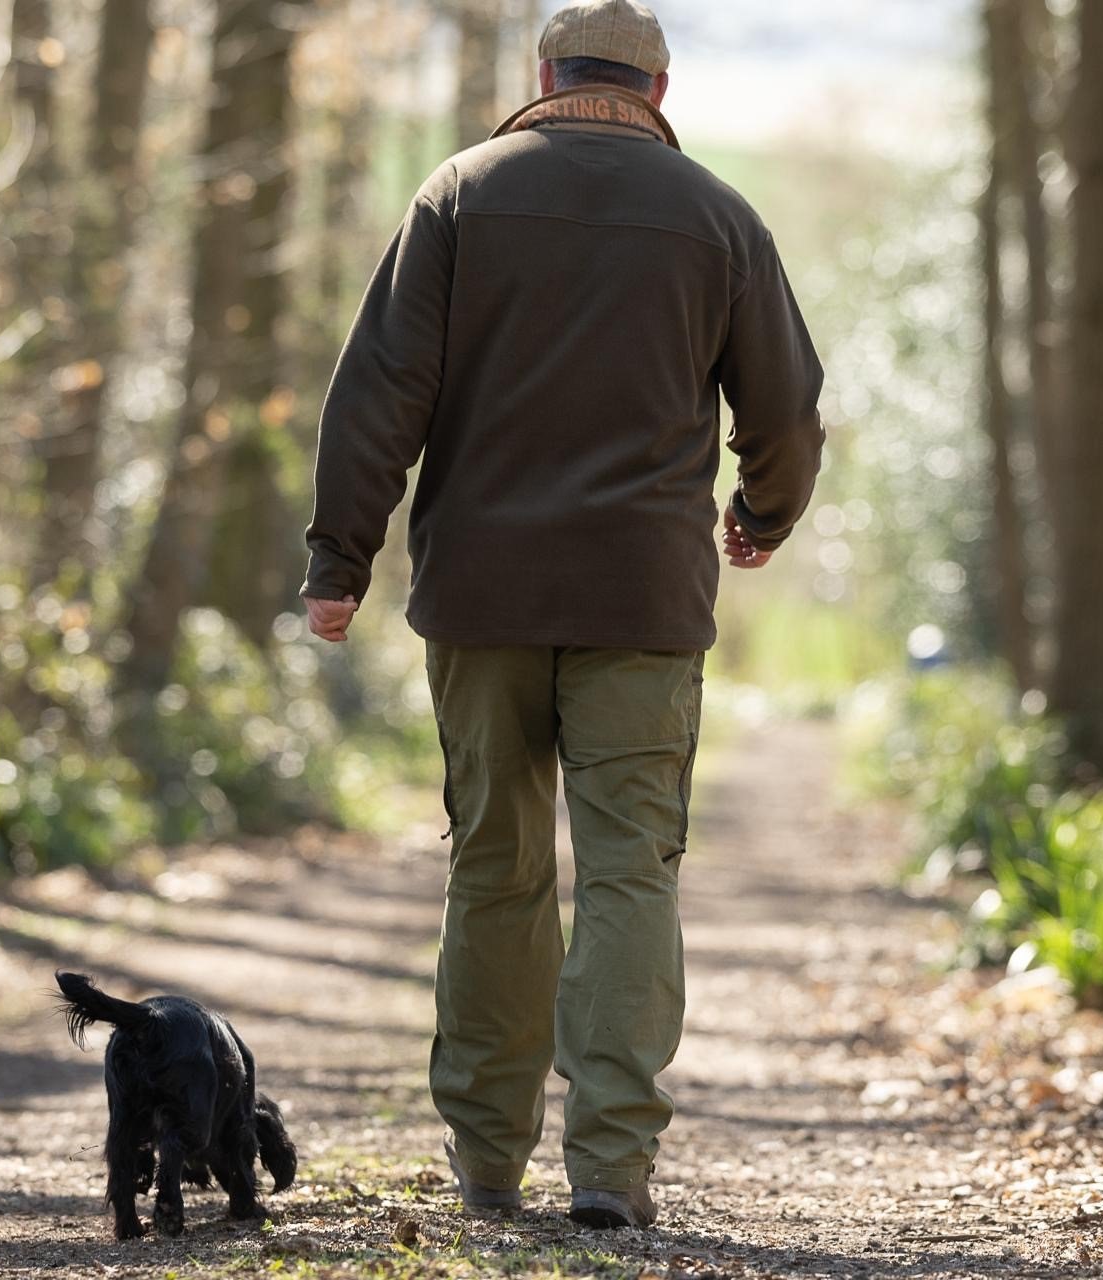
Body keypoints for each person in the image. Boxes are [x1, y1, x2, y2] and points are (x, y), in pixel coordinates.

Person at [298, 0, 824, 1230]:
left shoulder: (461, 193)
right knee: (632, 869)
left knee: (495, 864)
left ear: (545, 73)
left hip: (480, 594)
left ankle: (486, 1160)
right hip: (642, 599)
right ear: (657, 86)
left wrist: (339, 555)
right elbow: (787, 408)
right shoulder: (719, 217)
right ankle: (609, 1169)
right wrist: (763, 512)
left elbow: (380, 386)